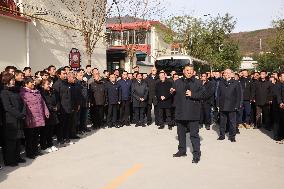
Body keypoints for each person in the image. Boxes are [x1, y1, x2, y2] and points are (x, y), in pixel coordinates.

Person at [171, 64, 205, 163]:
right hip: (180, 112)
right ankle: (182, 151)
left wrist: (192, 94)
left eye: (191, 70)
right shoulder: (177, 82)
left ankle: (196, 154)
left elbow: (203, 95)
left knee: (194, 135)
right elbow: (173, 92)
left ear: (193, 71)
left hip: (193, 113)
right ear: (183, 71)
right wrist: (171, 91)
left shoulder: (198, 82)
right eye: (187, 70)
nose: (189, 72)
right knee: (181, 134)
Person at [20, 77, 50, 159]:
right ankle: (30, 153)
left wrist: (46, 111)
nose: (33, 84)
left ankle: (35, 150)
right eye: (31, 83)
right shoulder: (23, 93)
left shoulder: (37, 92)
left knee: (36, 135)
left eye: (33, 82)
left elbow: (42, 103)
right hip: (30, 118)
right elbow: (23, 107)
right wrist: (26, 117)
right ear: (26, 84)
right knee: (30, 136)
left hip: (38, 118)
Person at [0, 72, 26, 166]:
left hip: (19, 118)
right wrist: (19, 115)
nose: (14, 81)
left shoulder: (15, 90)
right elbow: (8, 107)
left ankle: (17, 157)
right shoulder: (4, 92)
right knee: (11, 141)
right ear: (7, 81)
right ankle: (10, 160)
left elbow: (23, 103)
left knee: (18, 139)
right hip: (10, 119)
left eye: (14, 80)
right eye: (12, 80)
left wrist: (23, 113)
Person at [216, 69, 242, 142]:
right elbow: (218, 94)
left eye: (228, 73)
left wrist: (237, 105)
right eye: (225, 73)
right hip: (222, 105)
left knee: (232, 122)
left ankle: (232, 136)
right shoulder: (221, 82)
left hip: (232, 106)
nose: (227, 74)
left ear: (231, 74)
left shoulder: (236, 83)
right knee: (222, 122)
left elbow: (239, 95)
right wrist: (217, 104)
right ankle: (222, 135)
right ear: (223, 74)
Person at [40, 79, 59, 153]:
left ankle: (50, 144)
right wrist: (52, 108)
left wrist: (57, 106)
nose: (49, 85)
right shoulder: (41, 93)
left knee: (51, 131)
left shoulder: (52, 91)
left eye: (50, 84)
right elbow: (44, 103)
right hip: (46, 114)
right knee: (45, 132)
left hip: (53, 114)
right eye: (47, 84)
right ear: (43, 85)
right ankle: (43, 147)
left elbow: (57, 100)